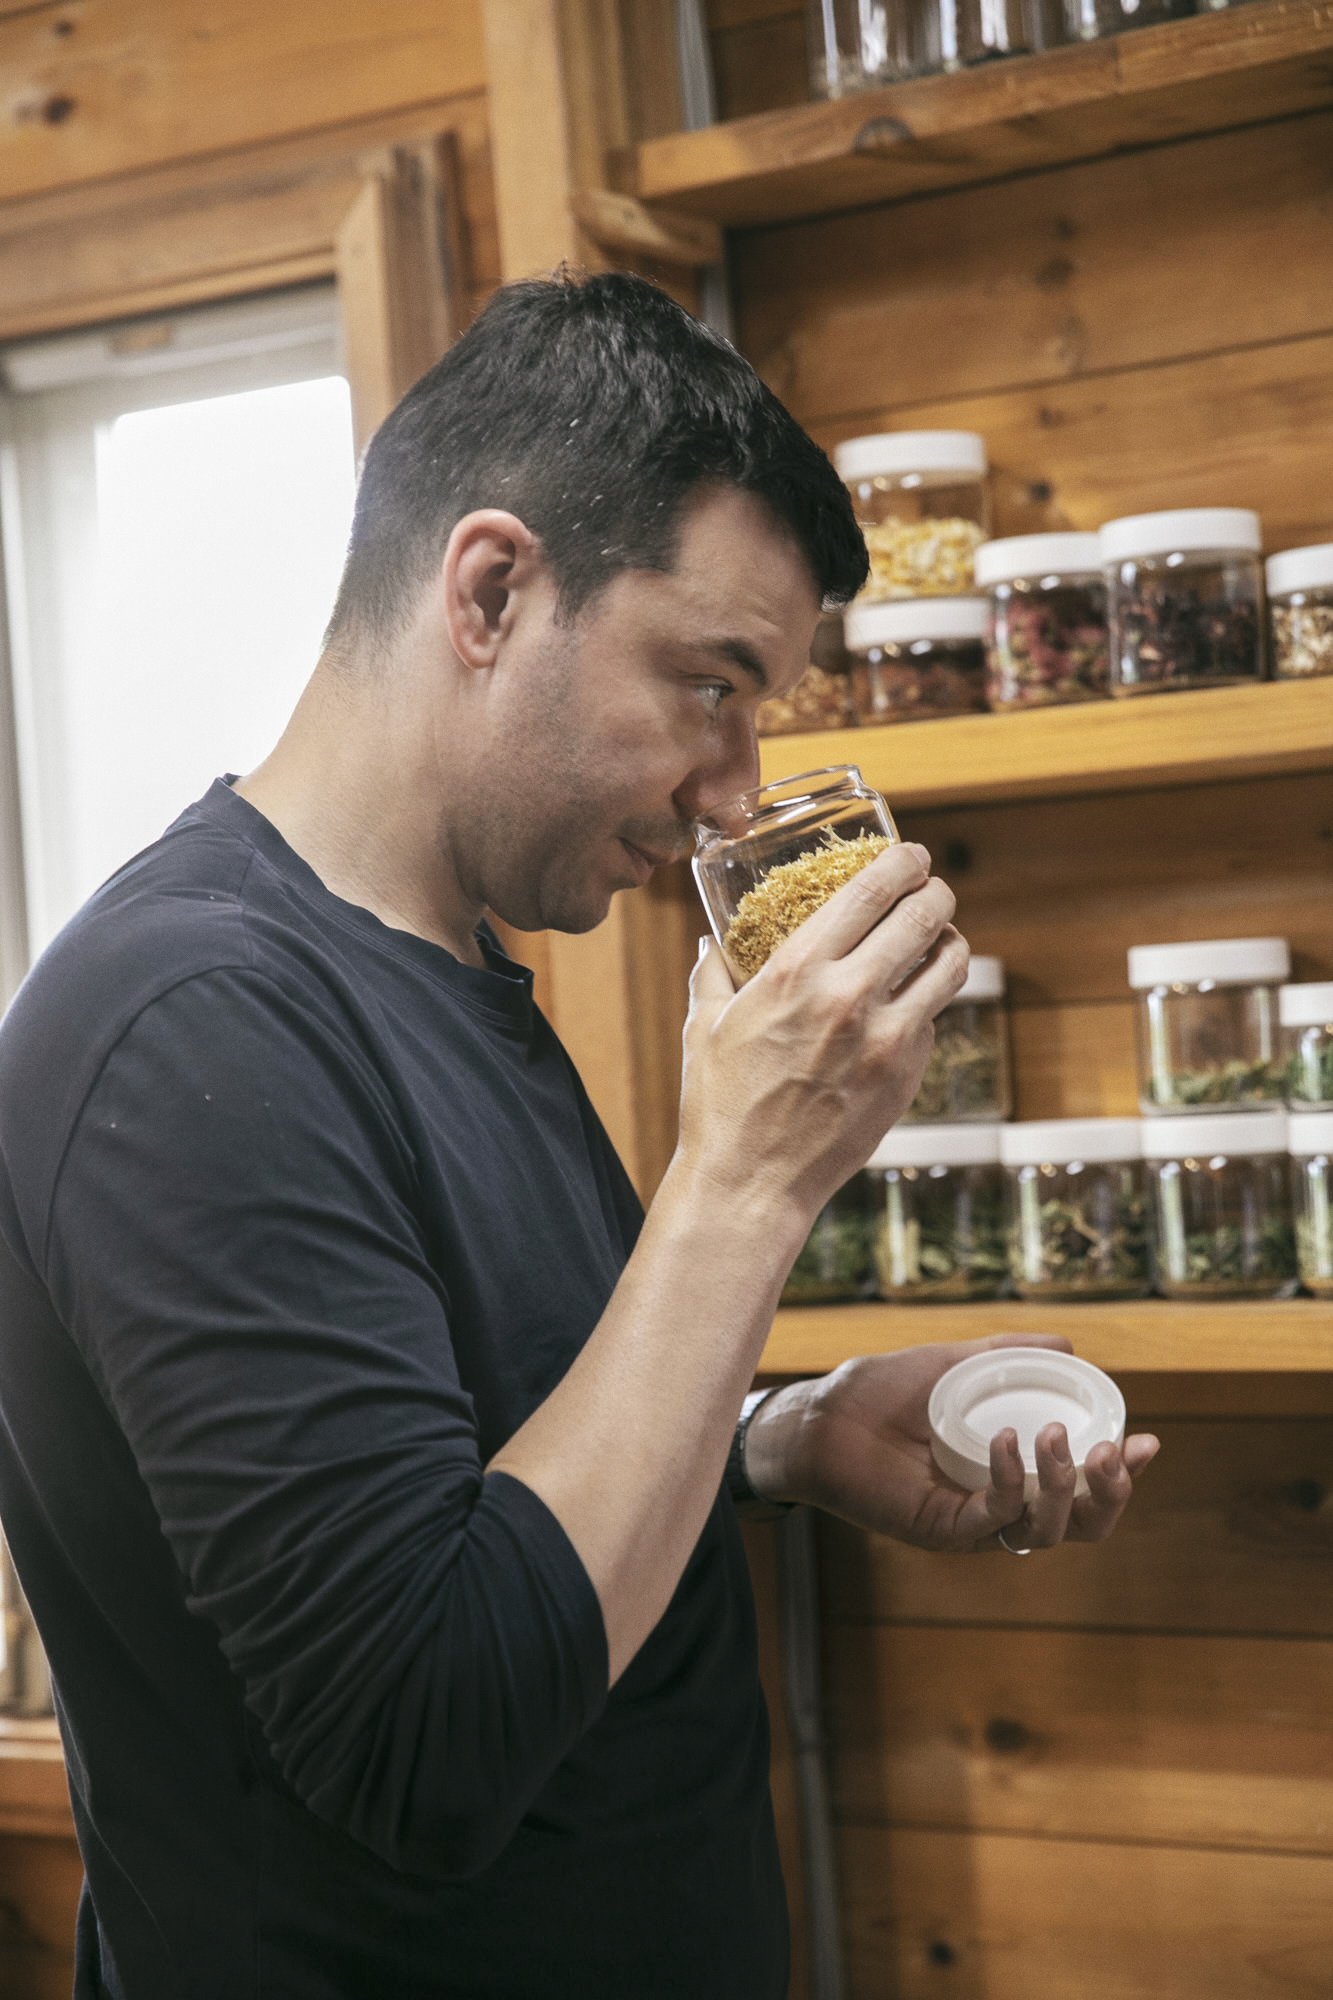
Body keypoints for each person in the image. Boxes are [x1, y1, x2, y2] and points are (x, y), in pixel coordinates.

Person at [0, 271, 1157, 2000]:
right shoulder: (190, 1025)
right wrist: (747, 1175)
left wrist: (785, 1436)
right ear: (490, 590)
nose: (732, 785)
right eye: (710, 682)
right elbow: (430, 1730)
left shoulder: (458, 975)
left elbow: (489, 1458)